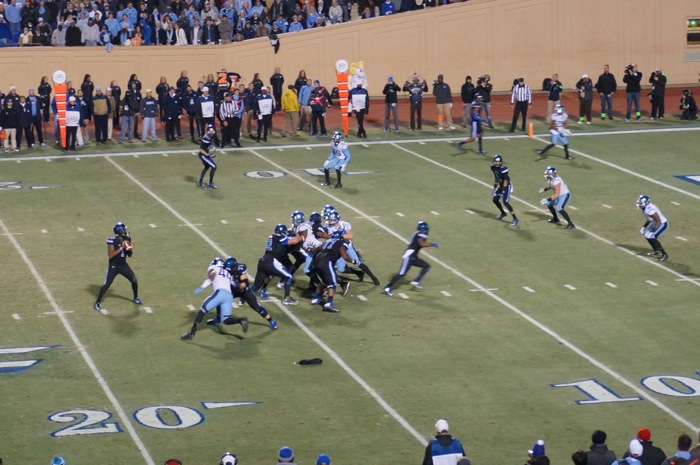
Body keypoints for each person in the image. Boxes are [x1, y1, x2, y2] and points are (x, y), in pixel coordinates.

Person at [180, 257, 249, 340]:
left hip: (220, 293)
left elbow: (211, 276)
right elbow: (236, 285)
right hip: (229, 296)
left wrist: (202, 287)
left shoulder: (214, 268)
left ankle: (191, 334)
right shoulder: (228, 273)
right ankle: (240, 320)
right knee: (226, 319)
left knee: (202, 310)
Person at [94, 222, 144, 311]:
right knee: (106, 284)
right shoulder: (112, 241)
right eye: (124, 230)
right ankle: (97, 302)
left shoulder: (127, 239)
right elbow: (111, 255)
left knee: (134, 280)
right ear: (120, 231)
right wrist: (121, 247)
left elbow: (130, 255)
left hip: (123, 265)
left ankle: (135, 298)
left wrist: (130, 249)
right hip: (114, 266)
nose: (126, 231)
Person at [252, 224, 303, 305]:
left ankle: (242, 299)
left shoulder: (273, 236)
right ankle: (287, 298)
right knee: (288, 276)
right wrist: (301, 237)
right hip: (272, 261)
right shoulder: (279, 238)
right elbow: (294, 241)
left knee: (256, 285)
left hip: (264, 260)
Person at [383, 221, 438, 296]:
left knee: (426, 266)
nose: (428, 230)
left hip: (413, 257)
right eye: (426, 228)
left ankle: (416, 281)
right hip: (409, 257)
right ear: (424, 229)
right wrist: (432, 244)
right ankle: (387, 287)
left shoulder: (417, 234)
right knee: (401, 274)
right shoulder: (420, 235)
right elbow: (421, 243)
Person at [225, 256, 278, 329]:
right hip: (234, 290)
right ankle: (219, 316)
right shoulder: (225, 270)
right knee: (222, 300)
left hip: (245, 291)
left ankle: (271, 321)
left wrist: (236, 286)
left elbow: (243, 284)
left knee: (257, 307)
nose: (228, 271)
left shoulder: (240, 269)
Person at [309, 230, 355, 312]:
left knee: (324, 281)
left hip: (316, 261)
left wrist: (309, 249)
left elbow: (317, 249)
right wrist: (352, 261)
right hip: (326, 262)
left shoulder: (326, 242)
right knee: (332, 283)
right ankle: (329, 303)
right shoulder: (341, 243)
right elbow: (344, 256)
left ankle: (316, 297)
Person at [636, 194, 669, 262]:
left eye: (640, 203)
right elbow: (649, 219)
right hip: (656, 223)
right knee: (646, 235)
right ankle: (656, 250)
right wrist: (644, 227)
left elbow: (659, 221)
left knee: (651, 236)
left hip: (662, 223)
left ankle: (664, 254)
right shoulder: (644, 208)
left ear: (645, 203)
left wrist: (653, 230)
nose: (639, 204)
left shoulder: (650, 210)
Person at [489, 155, 519, 226]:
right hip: (501, 185)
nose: (497, 163)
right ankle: (503, 213)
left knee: (505, 202)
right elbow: (496, 178)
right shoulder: (493, 168)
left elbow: (505, 180)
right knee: (495, 199)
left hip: (507, 186)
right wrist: (494, 188)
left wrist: (503, 191)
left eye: (498, 162)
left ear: (501, 162)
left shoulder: (504, 169)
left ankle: (515, 218)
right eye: (496, 162)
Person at [197, 124, 218, 189]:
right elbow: (201, 150)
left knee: (207, 167)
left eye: (212, 131)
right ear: (208, 131)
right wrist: (208, 155)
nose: (211, 132)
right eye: (210, 131)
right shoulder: (206, 138)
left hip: (205, 154)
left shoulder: (211, 136)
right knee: (214, 167)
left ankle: (200, 182)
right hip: (203, 155)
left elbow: (208, 145)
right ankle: (210, 183)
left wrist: (212, 147)